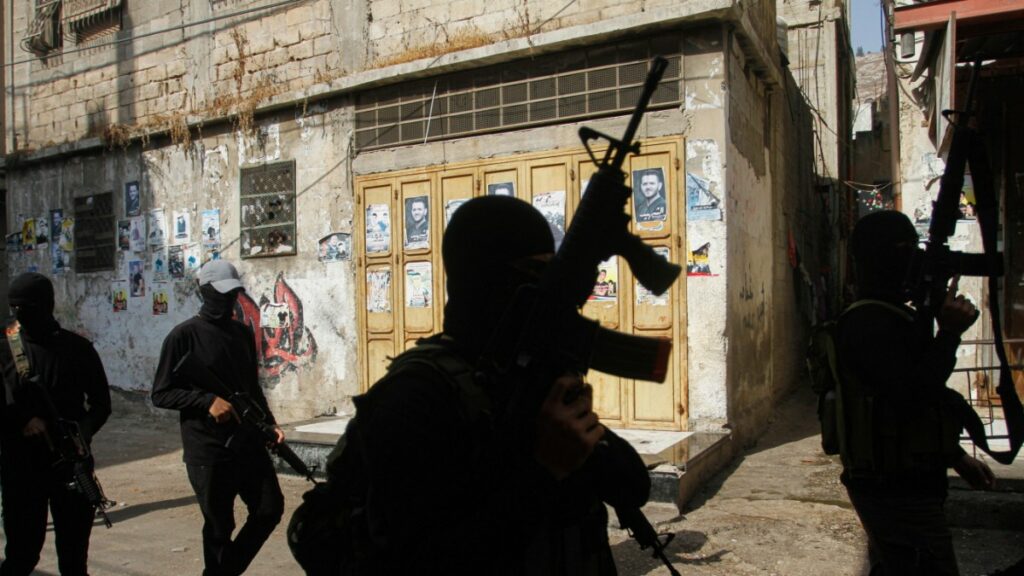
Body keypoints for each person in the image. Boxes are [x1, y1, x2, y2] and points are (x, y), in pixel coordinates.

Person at [305, 196, 650, 574]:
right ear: (489, 282)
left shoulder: (525, 374)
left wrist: (574, 434)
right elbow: (423, 557)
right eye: (538, 274)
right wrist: (543, 470)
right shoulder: (413, 397)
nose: (555, 293)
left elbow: (632, 486)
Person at [837, 210, 995, 576]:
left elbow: (917, 405)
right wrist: (949, 334)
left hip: (906, 480)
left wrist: (956, 456)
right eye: (905, 249)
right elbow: (911, 396)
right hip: (895, 488)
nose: (914, 258)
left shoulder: (892, 315)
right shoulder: (869, 322)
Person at [152, 260, 285, 576]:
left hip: (247, 441)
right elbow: (161, 393)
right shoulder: (183, 336)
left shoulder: (241, 332)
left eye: (232, 294)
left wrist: (269, 422)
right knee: (219, 527)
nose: (228, 300)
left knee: (269, 509)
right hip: (208, 448)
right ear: (205, 292)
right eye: (221, 294)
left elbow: (251, 386)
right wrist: (206, 401)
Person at [0, 272, 112, 576]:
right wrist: (21, 421)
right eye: (15, 308)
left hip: (71, 464)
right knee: (22, 556)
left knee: (74, 560)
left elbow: (101, 404)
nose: (20, 315)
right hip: (22, 466)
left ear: (47, 305)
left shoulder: (77, 348)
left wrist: (81, 433)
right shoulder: (6, 347)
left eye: (27, 308)